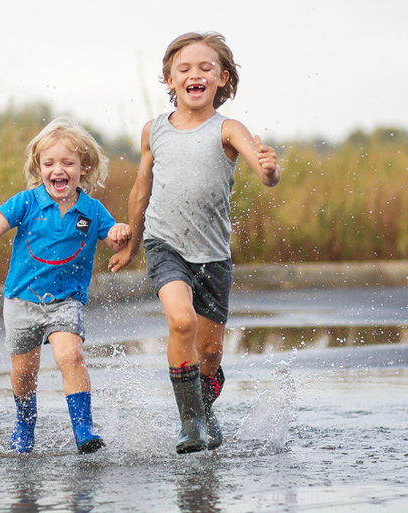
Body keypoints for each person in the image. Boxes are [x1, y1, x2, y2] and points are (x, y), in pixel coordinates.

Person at [108, 32, 281, 454]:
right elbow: (141, 188)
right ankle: (190, 426)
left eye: (206, 68)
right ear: (169, 80)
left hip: (213, 255)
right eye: (184, 68)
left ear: (223, 79)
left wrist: (269, 169)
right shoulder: (154, 131)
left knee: (210, 351)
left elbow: (264, 173)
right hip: (164, 244)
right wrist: (132, 243)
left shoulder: (229, 128)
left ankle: (204, 408)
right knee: (181, 322)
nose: (195, 75)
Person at [0, 116, 131, 454]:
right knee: (24, 373)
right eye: (49, 163)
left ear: (83, 167)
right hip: (21, 300)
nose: (57, 170)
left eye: (67, 163)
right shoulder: (27, 202)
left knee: (71, 355)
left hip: (66, 301)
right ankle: (24, 423)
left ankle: (84, 429)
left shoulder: (92, 209)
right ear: (38, 166)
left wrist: (120, 233)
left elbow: (113, 239)